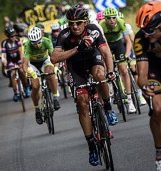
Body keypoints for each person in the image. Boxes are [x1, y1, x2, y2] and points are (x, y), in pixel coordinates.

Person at [50, 4, 118, 166]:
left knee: (100, 76)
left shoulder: (94, 30)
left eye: (79, 22)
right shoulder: (64, 36)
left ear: (85, 22)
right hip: (76, 68)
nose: (75, 26)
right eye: (71, 22)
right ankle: (92, 147)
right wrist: (76, 49)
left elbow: (106, 52)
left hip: (94, 61)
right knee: (82, 103)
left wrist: (110, 71)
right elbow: (54, 58)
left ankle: (108, 107)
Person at [135, 1, 161, 170]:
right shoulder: (141, 39)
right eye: (144, 31)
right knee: (158, 109)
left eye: (150, 31)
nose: (147, 35)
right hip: (153, 68)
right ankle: (160, 156)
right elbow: (142, 76)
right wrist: (145, 87)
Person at [99, 7, 137, 114]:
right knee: (106, 64)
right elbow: (104, 44)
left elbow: (128, 41)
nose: (111, 20)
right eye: (108, 18)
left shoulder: (121, 22)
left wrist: (126, 55)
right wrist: (108, 57)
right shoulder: (101, 25)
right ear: (105, 19)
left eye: (113, 18)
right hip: (107, 45)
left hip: (118, 44)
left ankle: (130, 102)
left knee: (124, 70)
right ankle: (110, 84)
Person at [23, 27, 60, 125]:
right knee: (35, 87)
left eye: (39, 42)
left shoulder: (47, 41)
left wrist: (56, 68)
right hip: (33, 65)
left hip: (45, 61)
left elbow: (54, 58)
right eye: (34, 43)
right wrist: (31, 73)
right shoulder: (27, 45)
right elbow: (25, 64)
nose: (37, 45)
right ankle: (37, 110)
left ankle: (55, 98)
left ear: (41, 38)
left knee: (50, 72)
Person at [118, 12, 147, 106]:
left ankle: (139, 94)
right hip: (119, 49)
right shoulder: (111, 30)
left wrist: (132, 55)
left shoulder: (127, 26)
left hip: (128, 48)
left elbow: (133, 41)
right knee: (121, 70)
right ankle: (124, 92)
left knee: (134, 70)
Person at [1, 27, 30, 101]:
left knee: (21, 71)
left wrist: (21, 62)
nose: (14, 37)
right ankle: (16, 93)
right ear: (7, 36)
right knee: (13, 73)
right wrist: (3, 60)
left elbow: (21, 52)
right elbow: (3, 54)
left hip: (18, 58)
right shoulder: (4, 43)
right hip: (10, 60)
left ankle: (26, 87)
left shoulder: (17, 40)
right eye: (12, 36)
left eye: (14, 35)